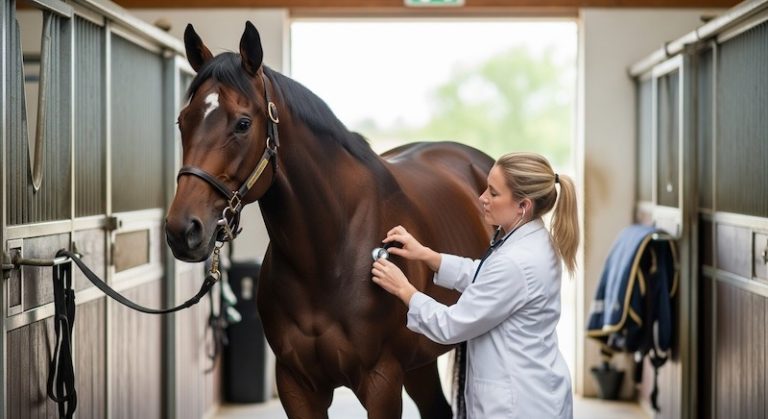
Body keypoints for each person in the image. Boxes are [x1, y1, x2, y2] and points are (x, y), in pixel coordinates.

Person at [371, 152, 578, 418]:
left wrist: (404, 289)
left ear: (523, 206)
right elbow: (485, 276)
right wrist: (427, 256)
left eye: (493, 193)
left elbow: (451, 326)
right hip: (535, 388)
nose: (482, 198)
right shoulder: (532, 239)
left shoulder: (517, 261)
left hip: (517, 405)